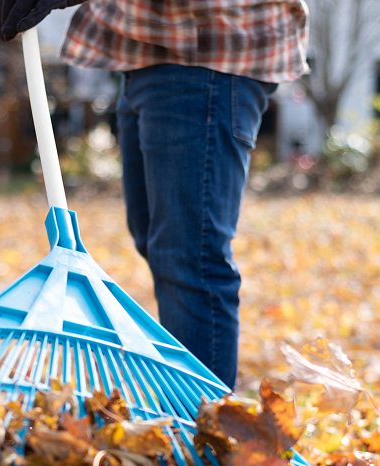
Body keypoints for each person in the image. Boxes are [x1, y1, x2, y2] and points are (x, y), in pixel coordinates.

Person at [57, 0, 310, 389]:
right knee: (160, 245)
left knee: (191, 259)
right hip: (147, 51)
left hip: (207, 48)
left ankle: (198, 428)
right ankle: (183, 400)